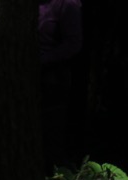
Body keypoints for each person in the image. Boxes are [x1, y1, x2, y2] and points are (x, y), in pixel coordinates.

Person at [38, 0, 83, 169]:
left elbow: (73, 44)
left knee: (49, 137)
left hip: (51, 81)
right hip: (27, 77)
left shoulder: (67, 4)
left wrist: (41, 61)